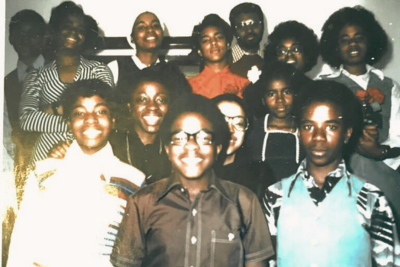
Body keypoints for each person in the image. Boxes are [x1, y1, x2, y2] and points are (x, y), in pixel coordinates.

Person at [111, 94, 274, 267]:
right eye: (180, 138)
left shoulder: (244, 202)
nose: (191, 146)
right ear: (167, 149)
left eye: (203, 138)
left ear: (217, 148)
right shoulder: (142, 203)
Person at [7, 80, 145, 267]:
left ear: (113, 121)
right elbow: (21, 243)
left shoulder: (133, 181)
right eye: (80, 113)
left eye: (100, 111)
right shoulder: (43, 173)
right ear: (69, 124)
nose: (90, 118)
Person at [263, 80, 399, 267]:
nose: (319, 136)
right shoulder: (275, 196)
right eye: (309, 126)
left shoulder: (371, 199)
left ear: (347, 133)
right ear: (299, 131)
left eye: (331, 127)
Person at [319, 6, 400, 234]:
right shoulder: (325, 85)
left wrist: (379, 152)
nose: (352, 44)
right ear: (335, 45)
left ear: (371, 40)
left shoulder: (389, 85)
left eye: (359, 38)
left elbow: (398, 135)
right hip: (343, 172)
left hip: (386, 172)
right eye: (344, 39)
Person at [20, 1, 114, 163]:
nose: (73, 32)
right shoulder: (36, 75)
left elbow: (108, 114)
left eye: (81, 30)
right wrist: (79, 121)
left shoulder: (99, 70)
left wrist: (54, 108)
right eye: (67, 26)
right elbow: (27, 120)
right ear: (55, 30)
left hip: (90, 154)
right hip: (46, 155)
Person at [110, 65, 192, 184]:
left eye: (161, 100)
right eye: (142, 100)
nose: (152, 106)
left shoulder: (178, 147)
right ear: (129, 106)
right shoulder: (112, 145)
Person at [4, 9, 47, 201]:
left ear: (43, 38)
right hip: (19, 166)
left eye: (33, 33)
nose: (26, 39)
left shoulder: (57, 74)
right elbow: (5, 130)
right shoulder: (6, 83)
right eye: (20, 33)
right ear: (11, 38)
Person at [246, 62, 305, 184]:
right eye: (272, 94)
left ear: (295, 95)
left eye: (286, 92)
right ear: (263, 100)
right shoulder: (254, 130)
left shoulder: (303, 129)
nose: (280, 100)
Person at [212, 94, 265, 198]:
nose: (231, 130)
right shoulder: (194, 170)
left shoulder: (259, 174)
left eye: (239, 123)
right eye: (223, 122)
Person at [189, 14, 249, 98]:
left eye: (219, 37)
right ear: (199, 51)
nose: (213, 42)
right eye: (206, 40)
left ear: (227, 44)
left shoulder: (243, 85)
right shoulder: (189, 86)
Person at [107, 11, 164, 86]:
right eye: (141, 27)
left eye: (155, 25)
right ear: (131, 38)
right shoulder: (115, 68)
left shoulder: (171, 71)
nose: (150, 30)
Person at [228, 2, 265, 82]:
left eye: (254, 24)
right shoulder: (224, 60)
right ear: (233, 30)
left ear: (263, 26)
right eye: (242, 25)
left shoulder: (271, 58)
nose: (249, 30)